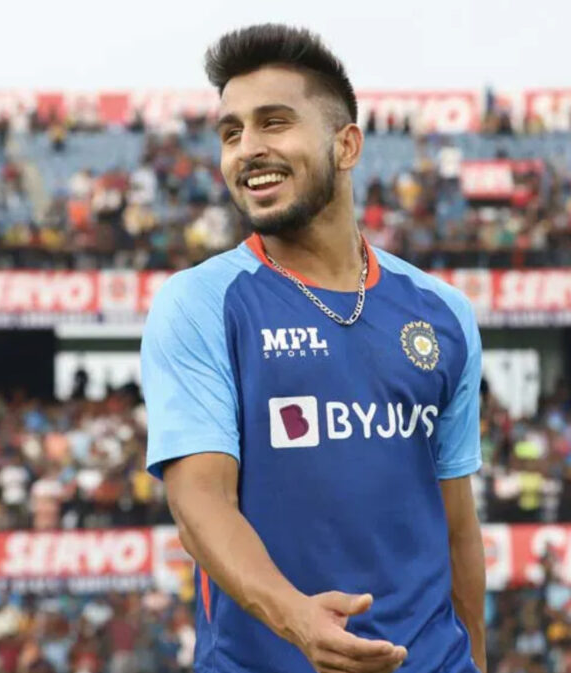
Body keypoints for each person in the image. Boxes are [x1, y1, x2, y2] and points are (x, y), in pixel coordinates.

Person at [141, 25, 485, 673]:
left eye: (274, 123)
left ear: (346, 144)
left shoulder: (444, 313)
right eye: (232, 132)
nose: (249, 149)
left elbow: (457, 523)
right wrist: (299, 620)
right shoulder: (200, 303)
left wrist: (479, 658)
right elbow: (200, 503)